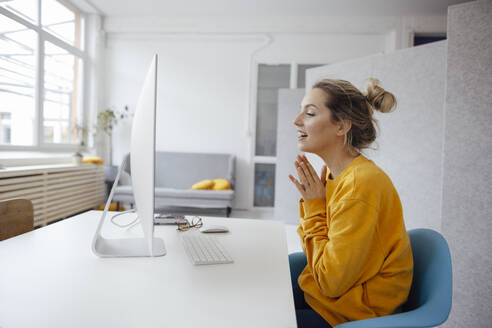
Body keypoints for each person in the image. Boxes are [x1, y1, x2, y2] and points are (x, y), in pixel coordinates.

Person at [288, 78, 414, 328]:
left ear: (342, 126)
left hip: (350, 315)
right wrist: (317, 205)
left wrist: (314, 208)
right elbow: (324, 259)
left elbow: (331, 282)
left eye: (309, 113)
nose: (297, 120)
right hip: (330, 300)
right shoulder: (338, 176)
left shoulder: (359, 186)